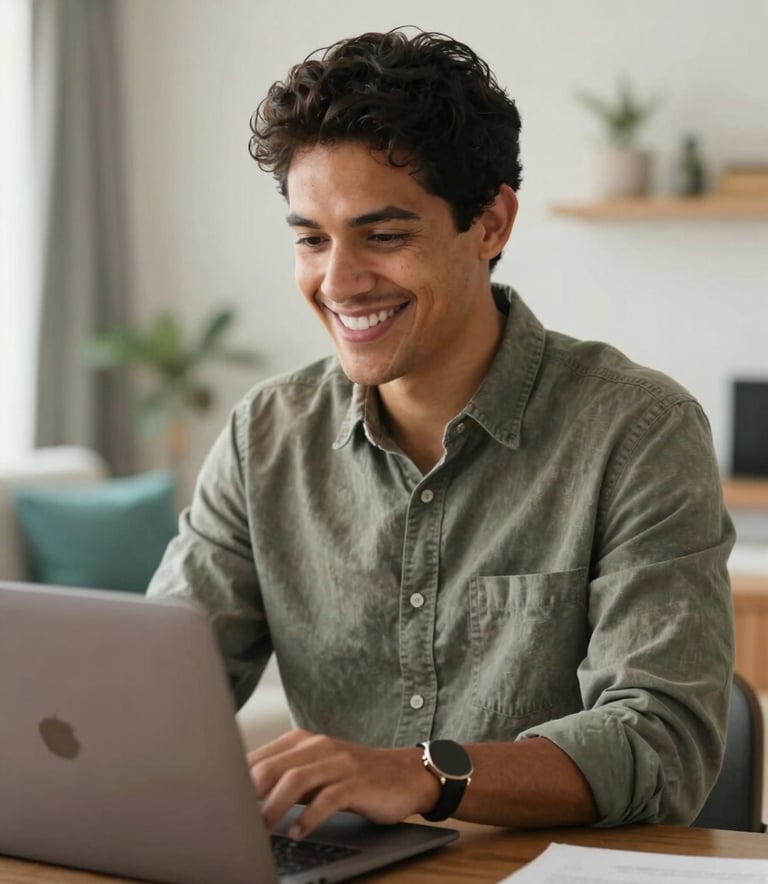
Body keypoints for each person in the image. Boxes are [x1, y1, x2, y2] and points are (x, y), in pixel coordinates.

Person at [147, 28, 734, 841]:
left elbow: (660, 747)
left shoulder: (638, 431)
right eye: (312, 239)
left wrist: (419, 774)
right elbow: (154, 697)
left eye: (383, 236)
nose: (339, 282)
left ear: (491, 223)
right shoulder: (265, 436)